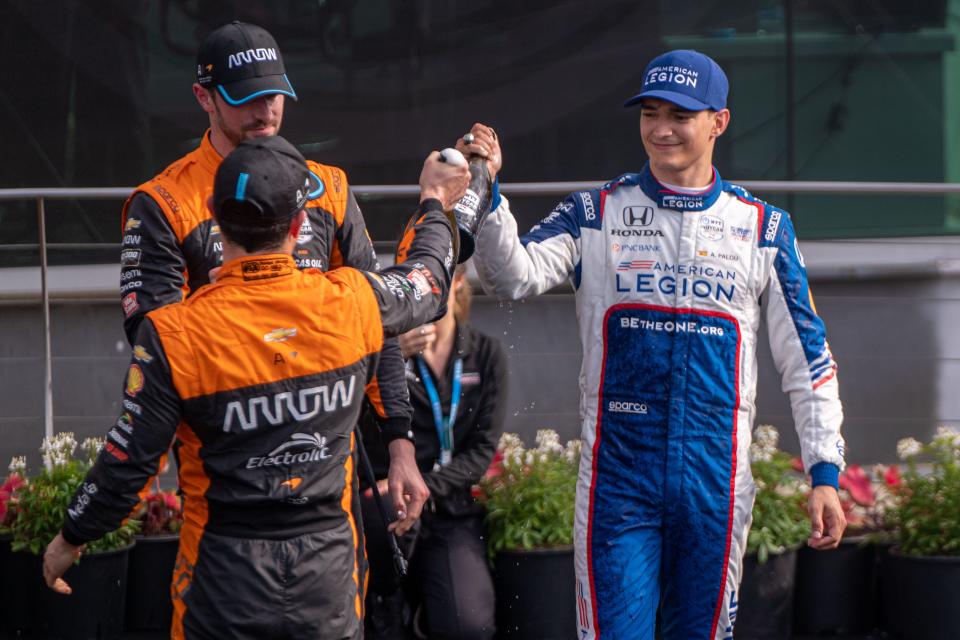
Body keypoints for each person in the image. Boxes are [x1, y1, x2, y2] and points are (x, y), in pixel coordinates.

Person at [461, 49, 847, 639]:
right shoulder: (595, 211)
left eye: (680, 115)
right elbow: (512, 276)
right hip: (618, 476)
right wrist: (487, 195)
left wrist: (825, 472)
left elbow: (809, 360)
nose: (660, 129)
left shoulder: (764, 228)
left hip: (716, 480)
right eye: (650, 113)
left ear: (719, 121)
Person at [43, 135, 470, 640]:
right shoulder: (353, 301)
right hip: (327, 576)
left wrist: (73, 534)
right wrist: (435, 202)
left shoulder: (173, 332)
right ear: (299, 225)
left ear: (213, 215)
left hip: (222, 580)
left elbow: (129, 461)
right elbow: (428, 277)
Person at [120, 20, 412, 447]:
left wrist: (399, 437)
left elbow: (375, 314)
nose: (265, 111)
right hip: (226, 449)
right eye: (246, 98)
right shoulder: (163, 201)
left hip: (329, 442)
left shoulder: (327, 186)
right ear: (204, 97)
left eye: (273, 95)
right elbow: (153, 341)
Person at [361, 262, 506, 640]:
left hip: (450, 510)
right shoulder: (391, 352)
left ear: (457, 282)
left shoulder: (485, 353)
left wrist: (423, 485)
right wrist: (385, 357)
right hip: (388, 504)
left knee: (468, 625)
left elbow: (482, 451)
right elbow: (353, 423)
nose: (423, 289)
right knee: (380, 614)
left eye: (435, 278)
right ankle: (388, 608)